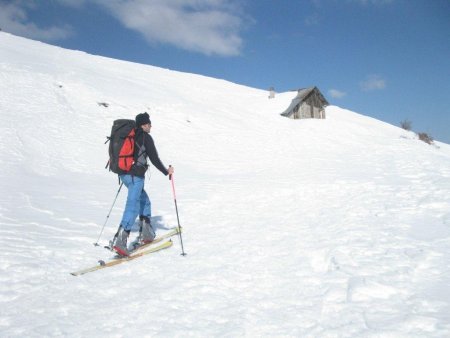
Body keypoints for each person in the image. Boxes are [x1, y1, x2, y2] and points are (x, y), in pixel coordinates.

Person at [112, 112, 174, 256]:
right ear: (143, 125)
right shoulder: (145, 137)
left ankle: (146, 234)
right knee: (132, 205)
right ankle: (121, 240)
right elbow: (154, 158)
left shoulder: (130, 135)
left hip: (124, 174)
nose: (151, 126)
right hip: (136, 176)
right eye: (149, 124)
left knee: (144, 201)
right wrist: (167, 171)